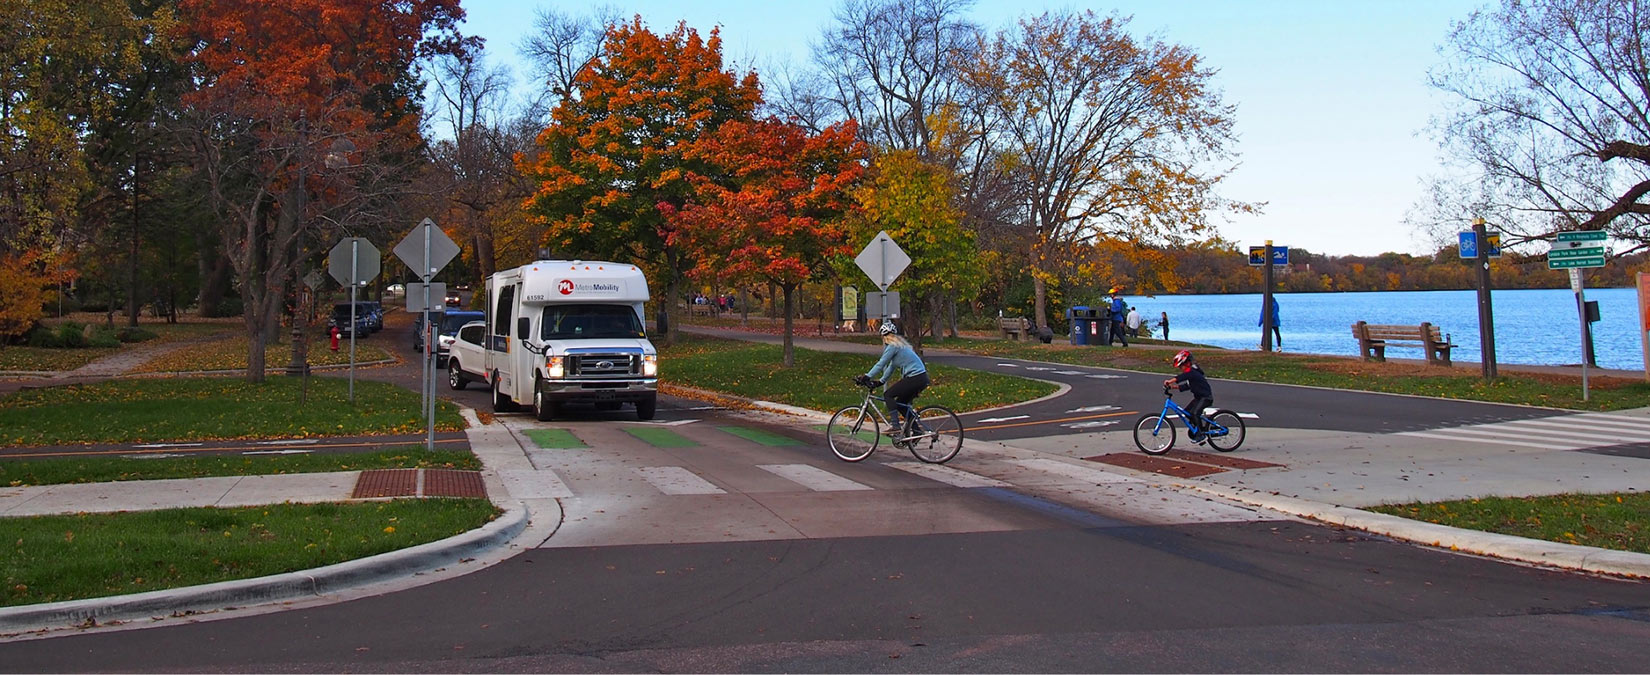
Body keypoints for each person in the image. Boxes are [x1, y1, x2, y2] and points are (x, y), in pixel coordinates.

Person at [856, 320, 930, 438]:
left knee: (888, 395)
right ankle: (917, 431)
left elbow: (881, 363)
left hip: (915, 378)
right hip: (921, 378)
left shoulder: (893, 347)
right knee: (901, 404)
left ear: (884, 336)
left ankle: (895, 426)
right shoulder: (901, 346)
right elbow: (891, 367)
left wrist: (867, 376)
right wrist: (880, 381)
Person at [1162, 349, 1214, 443]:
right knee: (1187, 412)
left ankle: (1200, 435)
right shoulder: (1191, 374)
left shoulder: (1192, 372)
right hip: (1198, 397)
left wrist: (1170, 381)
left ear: (1187, 363)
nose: (1181, 369)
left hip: (1205, 398)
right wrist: (1174, 387)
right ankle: (1198, 428)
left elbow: (1182, 377)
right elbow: (1187, 386)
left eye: (1181, 366)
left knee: (1195, 413)